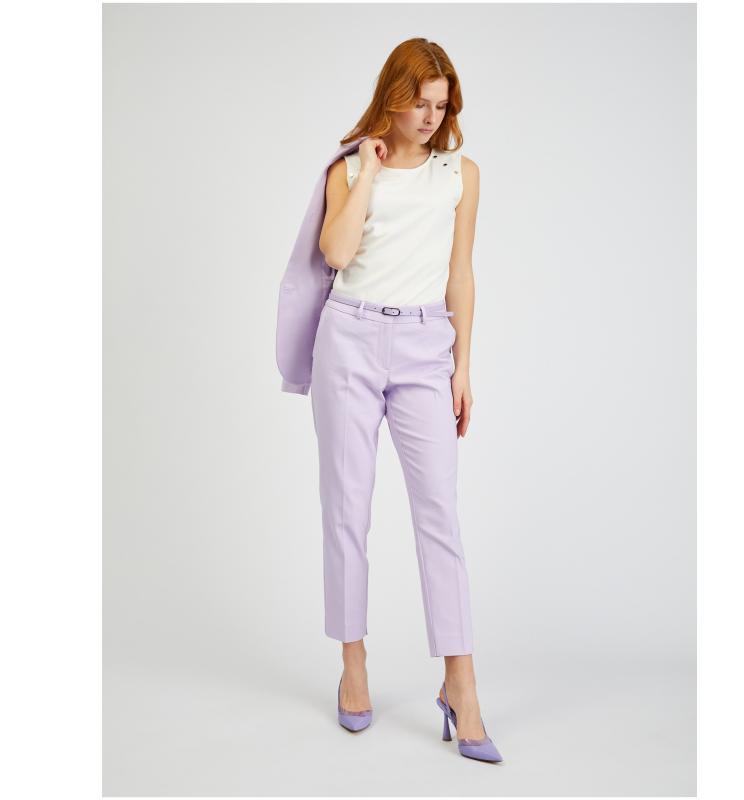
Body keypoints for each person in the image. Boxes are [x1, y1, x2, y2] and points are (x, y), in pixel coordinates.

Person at [311, 38, 502, 763]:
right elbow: (336, 253)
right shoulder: (347, 169)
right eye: (419, 103)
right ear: (392, 97)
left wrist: (462, 366)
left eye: (441, 106)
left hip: (426, 345)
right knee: (347, 510)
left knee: (439, 516)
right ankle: (353, 663)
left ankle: (461, 683)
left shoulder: (461, 174)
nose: (430, 117)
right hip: (349, 340)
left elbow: (461, 273)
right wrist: (367, 172)